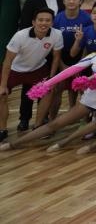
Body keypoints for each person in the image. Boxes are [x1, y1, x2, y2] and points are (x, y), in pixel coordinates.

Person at [2, 22, 96, 150]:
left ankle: (86, 128)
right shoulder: (94, 56)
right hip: (92, 98)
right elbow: (70, 70)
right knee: (56, 124)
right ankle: (14, 144)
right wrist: (48, 83)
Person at [0, 9, 63, 140]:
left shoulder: (57, 34)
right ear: (34, 22)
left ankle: (38, 126)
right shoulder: (20, 36)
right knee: (1, 95)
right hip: (15, 70)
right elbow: (7, 61)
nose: (44, 23)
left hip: (37, 69)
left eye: (47, 20)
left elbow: (56, 57)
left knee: (49, 90)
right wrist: (3, 85)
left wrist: (51, 79)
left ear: (52, 23)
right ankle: (2, 129)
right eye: (40, 20)